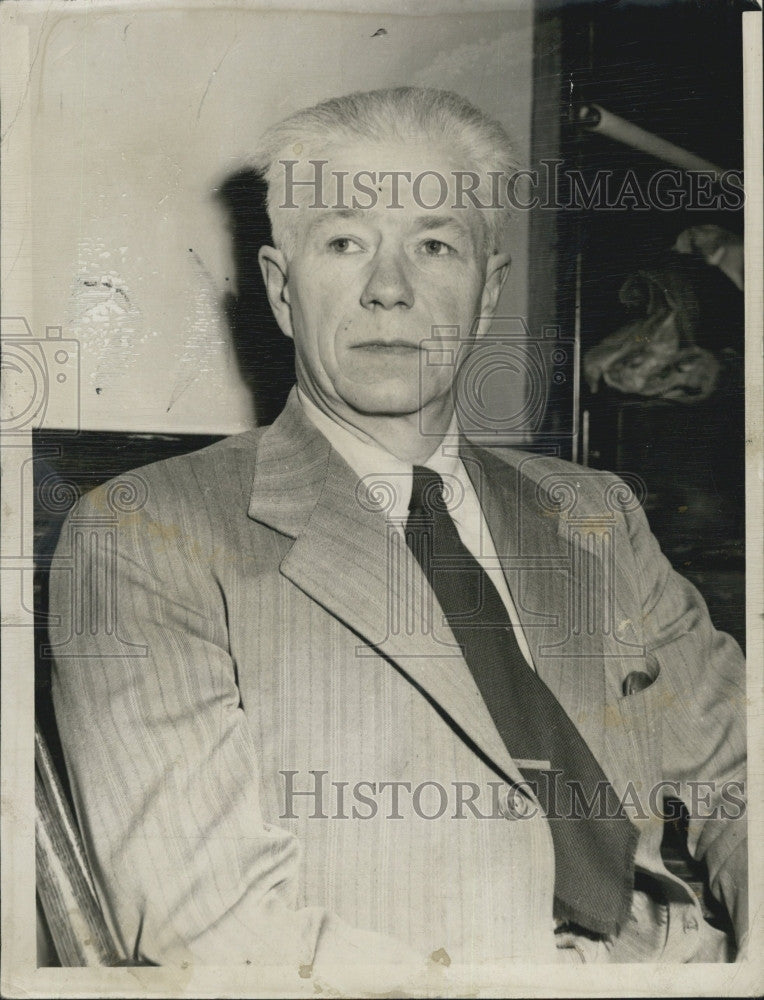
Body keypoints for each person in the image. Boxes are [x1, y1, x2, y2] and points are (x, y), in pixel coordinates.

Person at [48, 87, 747, 989]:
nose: (390, 289)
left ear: (488, 290)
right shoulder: (143, 536)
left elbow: (741, 770)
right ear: (280, 289)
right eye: (345, 243)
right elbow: (215, 920)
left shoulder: (596, 513)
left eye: (434, 245)